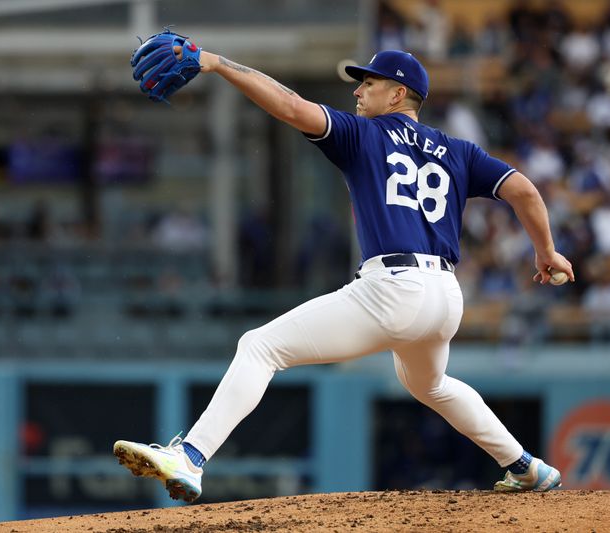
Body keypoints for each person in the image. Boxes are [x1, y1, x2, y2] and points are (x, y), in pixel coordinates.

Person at [114, 44, 575, 502]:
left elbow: (291, 106)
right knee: (429, 383)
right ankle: (525, 466)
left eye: (369, 82)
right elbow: (525, 192)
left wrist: (216, 63)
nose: (358, 90)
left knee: (259, 346)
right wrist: (546, 252)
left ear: (398, 94)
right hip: (445, 296)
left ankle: (190, 456)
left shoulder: (364, 135)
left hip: (394, 289)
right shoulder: (459, 151)